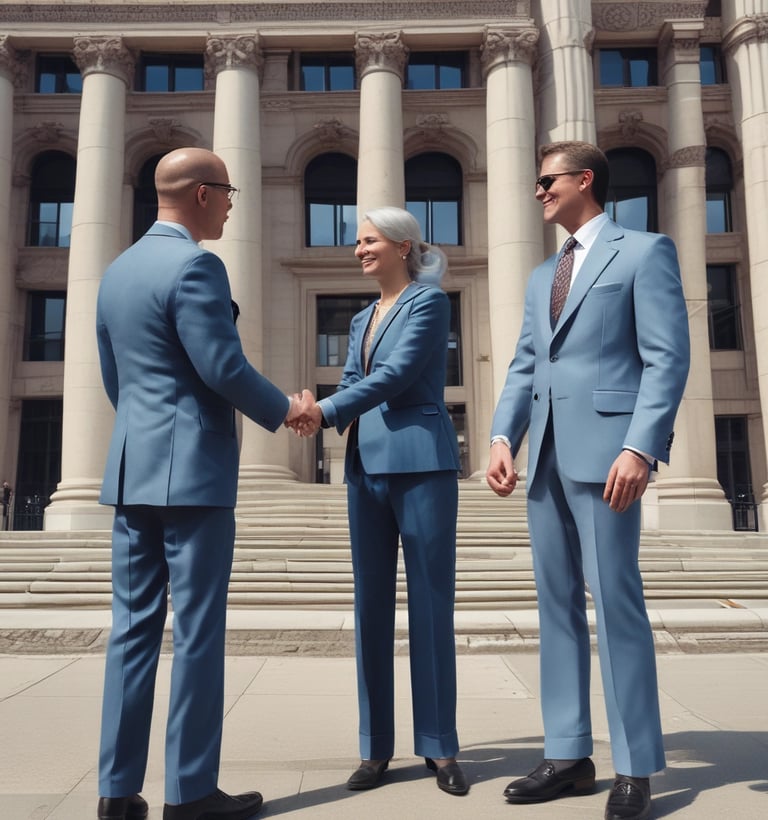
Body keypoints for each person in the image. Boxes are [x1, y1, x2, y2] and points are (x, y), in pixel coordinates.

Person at [95, 147, 314, 820]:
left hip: (134, 470)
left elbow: (115, 378)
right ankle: (189, 792)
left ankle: (117, 793)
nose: (230, 203)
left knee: (131, 632)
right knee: (195, 633)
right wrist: (289, 410)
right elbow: (222, 365)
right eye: (227, 192)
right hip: (192, 475)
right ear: (199, 194)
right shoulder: (197, 265)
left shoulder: (117, 269)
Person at [486, 141, 690, 820]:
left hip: (609, 459)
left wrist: (640, 447)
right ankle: (568, 754)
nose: (538, 191)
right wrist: (499, 438)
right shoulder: (542, 271)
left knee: (617, 604)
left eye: (547, 180)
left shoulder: (644, 251)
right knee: (555, 610)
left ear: (584, 179)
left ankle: (635, 765)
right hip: (542, 458)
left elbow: (665, 359)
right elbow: (523, 366)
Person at [295, 206, 468, 796]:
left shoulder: (428, 301)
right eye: (358, 241)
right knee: (369, 607)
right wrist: (317, 407)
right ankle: (374, 749)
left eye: (369, 240)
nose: (359, 249)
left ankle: (440, 747)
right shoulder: (364, 314)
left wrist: (328, 410)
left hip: (421, 463)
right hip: (364, 466)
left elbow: (395, 375)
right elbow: (352, 378)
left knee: (429, 605)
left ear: (401, 246)